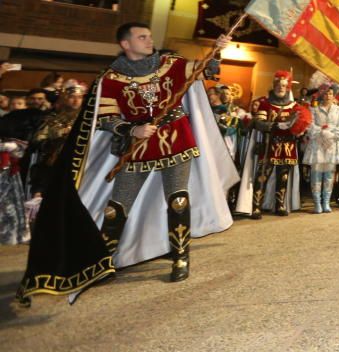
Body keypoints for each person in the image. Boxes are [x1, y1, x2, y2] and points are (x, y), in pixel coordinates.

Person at [17, 22, 237, 302]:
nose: (149, 40)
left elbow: (205, 68)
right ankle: (104, 261)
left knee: (178, 199)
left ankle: (180, 257)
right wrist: (132, 130)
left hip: (175, 139)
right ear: (125, 44)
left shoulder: (171, 64)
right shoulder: (110, 79)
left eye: (149, 36)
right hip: (137, 147)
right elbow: (107, 118)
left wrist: (216, 52)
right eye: (141, 37)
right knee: (117, 206)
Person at [246, 71, 312, 218]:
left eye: (284, 85)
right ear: (274, 86)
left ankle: (280, 205)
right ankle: (256, 206)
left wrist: (298, 129)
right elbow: (258, 123)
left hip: (288, 147)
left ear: (288, 87)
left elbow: (300, 126)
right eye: (278, 85)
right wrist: (274, 126)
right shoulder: (265, 102)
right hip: (270, 144)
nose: (281, 88)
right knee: (262, 175)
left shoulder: (295, 106)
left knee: (283, 177)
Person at [303, 85, 339, 213]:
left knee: (329, 175)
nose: (328, 96)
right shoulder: (314, 110)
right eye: (326, 93)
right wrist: (321, 132)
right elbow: (310, 127)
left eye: (330, 93)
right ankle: (317, 203)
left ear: (334, 96)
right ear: (321, 94)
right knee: (316, 174)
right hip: (317, 145)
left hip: (332, 146)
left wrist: (331, 134)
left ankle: (326, 202)